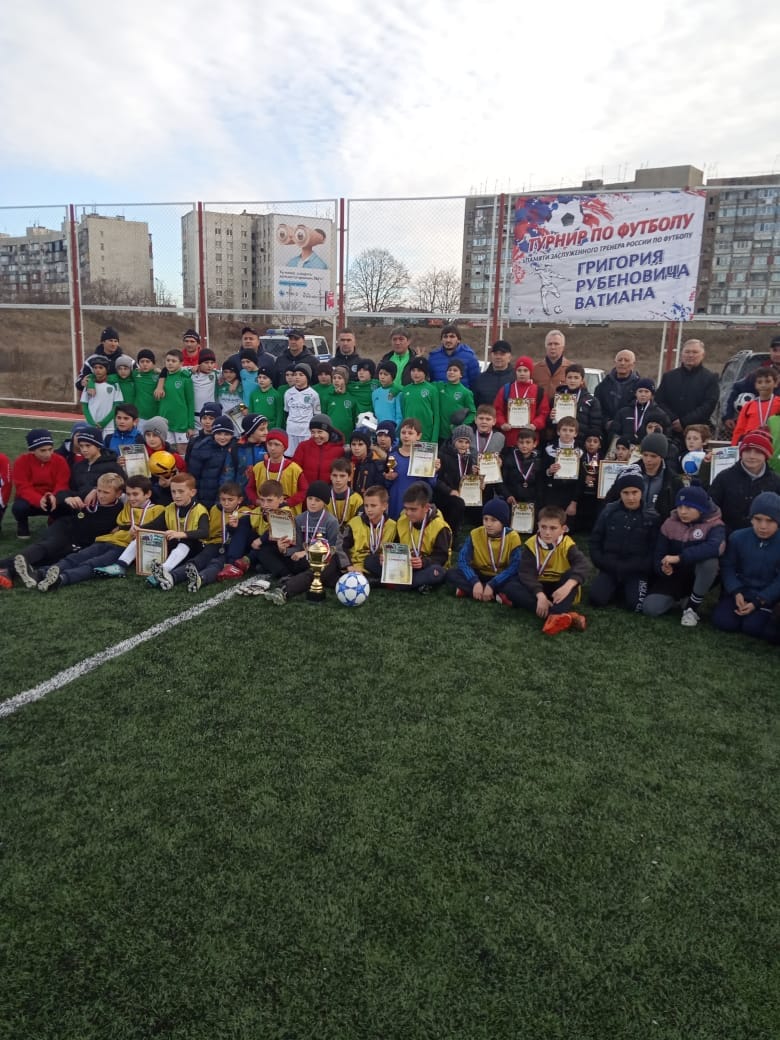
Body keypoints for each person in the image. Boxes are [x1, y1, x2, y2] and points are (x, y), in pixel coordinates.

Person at [33, 475, 164, 591]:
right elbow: (112, 489)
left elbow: (157, 532)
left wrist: (141, 530)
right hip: (106, 539)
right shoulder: (127, 505)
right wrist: (94, 491)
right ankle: (43, 573)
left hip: (124, 548)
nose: (131, 498)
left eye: (135, 494)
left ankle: (61, 579)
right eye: (129, 494)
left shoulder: (158, 510)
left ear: (148, 494)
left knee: (94, 563)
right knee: (78, 556)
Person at [3, 472, 125, 587]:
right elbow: (61, 494)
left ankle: (8, 570)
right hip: (65, 528)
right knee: (51, 545)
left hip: (79, 544)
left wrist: (120, 528)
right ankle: (15, 563)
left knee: (52, 558)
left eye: (106, 492)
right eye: (99, 490)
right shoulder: (88, 494)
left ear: (119, 494)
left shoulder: (120, 511)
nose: (101, 495)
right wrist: (68, 499)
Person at [642, 485, 725, 626]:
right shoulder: (669, 523)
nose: (682, 512)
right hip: (675, 576)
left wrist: (680, 558)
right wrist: (663, 568)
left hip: (696, 575)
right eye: (680, 507)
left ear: (701, 508)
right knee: (650, 608)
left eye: (689, 507)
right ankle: (681, 599)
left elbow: (715, 548)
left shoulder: (715, 525)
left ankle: (692, 607)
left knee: (710, 562)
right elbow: (659, 554)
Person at [499, 505, 590, 633]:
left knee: (572, 577)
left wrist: (568, 585)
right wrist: (540, 595)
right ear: (538, 525)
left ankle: (555, 613)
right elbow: (526, 573)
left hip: (560, 589)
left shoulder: (567, 544)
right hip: (539, 587)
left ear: (563, 529)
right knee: (510, 586)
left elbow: (584, 565)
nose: (547, 532)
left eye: (553, 528)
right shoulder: (531, 544)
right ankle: (562, 615)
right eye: (543, 527)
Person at [256, 481, 348, 604]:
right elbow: (297, 546)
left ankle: (285, 590)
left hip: (321, 559)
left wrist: (307, 552)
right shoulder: (299, 519)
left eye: (317, 500)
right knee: (265, 551)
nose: (312, 503)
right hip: (301, 559)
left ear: (325, 502)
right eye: (310, 498)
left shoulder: (331, 521)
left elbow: (333, 549)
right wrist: (284, 549)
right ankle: (286, 574)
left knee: (318, 569)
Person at [711, 492, 780, 641]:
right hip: (740, 592)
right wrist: (736, 591)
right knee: (723, 621)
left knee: (753, 627)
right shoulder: (737, 537)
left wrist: (759, 601)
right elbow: (728, 566)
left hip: (766, 596)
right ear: (751, 518)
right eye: (758, 519)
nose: (763, 526)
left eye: (770, 521)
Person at [588, 471, 659, 612]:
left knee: (636, 605)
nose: (630, 497)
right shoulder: (608, 511)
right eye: (625, 493)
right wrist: (601, 561)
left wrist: (641, 567)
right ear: (619, 493)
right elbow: (595, 539)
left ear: (642, 492)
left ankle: (626, 589)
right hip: (610, 566)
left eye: (635, 492)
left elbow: (654, 549)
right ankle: (613, 586)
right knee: (596, 599)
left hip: (636, 570)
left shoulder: (652, 516)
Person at [367, 481, 452, 593]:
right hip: (404, 565)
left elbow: (441, 557)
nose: (408, 513)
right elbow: (396, 545)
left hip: (427, 566)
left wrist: (423, 562)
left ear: (426, 507)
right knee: (370, 560)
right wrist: (387, 557)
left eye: (413, 509)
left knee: (437, 572)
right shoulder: (402, 520)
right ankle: (413, 584)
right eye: (406, 508)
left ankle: (385, 582)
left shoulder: (440, 527)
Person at [142, 472, 210, 589]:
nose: (176, 495)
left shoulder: (200, 510)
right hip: (176, 546)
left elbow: (205, 532)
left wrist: (182, 534)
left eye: (181, 491)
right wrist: (139, 528)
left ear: (192, 492)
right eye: (173, 492)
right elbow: (156, 524)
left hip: (195, 547)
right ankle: (121, 563)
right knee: (145, 535)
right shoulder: (170, 507)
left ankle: (163, 570)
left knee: (186, 541)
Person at [447, 499, 522, 601]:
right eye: (485, 519)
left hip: (501, 576)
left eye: (493, 520)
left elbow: (515, 566)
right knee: (451, 574)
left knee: (516, 581)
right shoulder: (475, 534)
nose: (488, 524)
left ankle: (471, 591)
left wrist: (493, 584)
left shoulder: (513, 537)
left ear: (503, 522)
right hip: (480, 574)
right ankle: (495, 595)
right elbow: (462, 560)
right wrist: (474, 581)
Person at [709, 428, 780, 533]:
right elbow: (711, 510)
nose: (751, 456)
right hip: (727, 536)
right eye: (747, 451)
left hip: (765, 538)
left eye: (758, 452)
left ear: (766, 455)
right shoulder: (724, 478)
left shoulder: (776, 482)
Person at [654, 339, 720, 446]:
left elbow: (709, 405)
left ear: (702, 355)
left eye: (695, 352)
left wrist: (684, 422)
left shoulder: (710, 378)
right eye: (687, 352)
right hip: (670, 431)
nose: (690, 355)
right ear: (682, 354)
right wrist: (673, 419)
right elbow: (659, 401)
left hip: (697, 433)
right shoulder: (669, 377)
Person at [9, 429, 71, 538]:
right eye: (43, 450)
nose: (48, 454)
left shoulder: (60, 461)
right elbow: (23, 487)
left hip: (52, 497)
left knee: (66, 505)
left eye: (50, 449)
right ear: (32, 451)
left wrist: (54, 496)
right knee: (19, 508)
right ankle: (22, 524)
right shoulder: (21, 461)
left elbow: (62, 484)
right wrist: (38, 499)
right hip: (30, 500)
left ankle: (54, 521)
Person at [722, 335, 780, 433]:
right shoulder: (760, 373)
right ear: (770, 351)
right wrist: (728, 415)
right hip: (759, 424)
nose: (778, 354)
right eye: (775, 350)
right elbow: (736, 388)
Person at [384, 418, 437, 520]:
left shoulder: (425, 456)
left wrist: (433, 470)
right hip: (396, 500)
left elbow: (432, 484)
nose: (406, 436)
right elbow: (386, 484)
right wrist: (388, 478)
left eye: (410, 433)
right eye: (403, 432)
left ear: (419, 436)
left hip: (416, 501)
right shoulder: (393, 455)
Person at [494, 355, 549, 448]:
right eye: (519, 370)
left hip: (529, 438)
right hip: (510, 437)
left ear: (530, 372)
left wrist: (535, 424)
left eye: (525, 370)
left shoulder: (538, 391)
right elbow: (497, 409)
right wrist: (502, 423)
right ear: (515, 372)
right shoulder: (506, 389)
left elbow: (544, 413)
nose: (522, 373)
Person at [342, 485, 397, 576]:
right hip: (356, 568)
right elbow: (342, 547)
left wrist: (389, 558)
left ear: (384, 506)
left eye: (373, 506)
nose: (369, 510)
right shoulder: (354, 523)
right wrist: (349, 566)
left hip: (379, 566)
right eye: (366, 506)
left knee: (371, 561)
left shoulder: (393, 526)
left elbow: (397, 551)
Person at [186, 416, 239, 508]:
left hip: (227, 498)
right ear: (213, 433)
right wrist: (194, 498)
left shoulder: (236, 448)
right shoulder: (201, 447)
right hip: (204, 496)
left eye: (226, 434)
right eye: (219, 433)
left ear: (232, 435)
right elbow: (193, 476)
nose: (222, 437)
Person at [249, 430, 308, 511]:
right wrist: (258, 501)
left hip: (286, 512)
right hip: (263, 511)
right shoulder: (258, 467)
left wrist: (287, 502)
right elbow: (250, 488)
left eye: (277, 444)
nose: (272, 448)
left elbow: (304, 491)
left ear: (284, 447)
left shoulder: (294, 469)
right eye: (269, 444)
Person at [549, 364, 603, 441]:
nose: (572, 380)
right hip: (560, 441)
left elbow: (595, 425)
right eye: (569, 377)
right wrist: (551, 418)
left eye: (576, 378)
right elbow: (550, 425)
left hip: (581, 441)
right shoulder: (556, 399)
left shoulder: (592, 401)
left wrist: (587, 441)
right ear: (565, 379)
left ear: (582, 380)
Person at [594, 350, 641, 433]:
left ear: (633, 364)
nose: (622, 363)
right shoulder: (603, 386)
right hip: (606, 431)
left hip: (629, 432)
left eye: (626, 360)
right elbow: (596, 410)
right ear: (615, 362)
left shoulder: (639, 387)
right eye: (620, 360)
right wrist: (606, 423)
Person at [611, 378, 671, 443]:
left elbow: (667, 435)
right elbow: (614, 432)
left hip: (648, 447)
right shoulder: (623, 412)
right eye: (640, 391)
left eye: (646, 391)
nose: (643, 394)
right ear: (635, 393)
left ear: (651, 394)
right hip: (626, 447)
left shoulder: (660, 414)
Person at [731, 367, 780, 444]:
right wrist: (735, 446)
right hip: (751, 444)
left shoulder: (778, 403)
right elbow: (739, 430)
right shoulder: (748, 406)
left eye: (768, 381)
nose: (763, 385)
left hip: (773, 444)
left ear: (775, 383)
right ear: (755, 385)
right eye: (759, 382)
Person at [292, 414, 345, 485]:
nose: (316, 436)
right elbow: (295, 470)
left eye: (320, 432)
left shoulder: (339, 450)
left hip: (329, 490)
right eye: (312, 432)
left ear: (328, 432)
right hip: (306, 490)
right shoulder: (303, 446)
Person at [502, 427, 544, 515]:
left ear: (535, 444)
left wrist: (538, 501)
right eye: (521, 442)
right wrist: (508, 495)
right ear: (517, 443)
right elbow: (502, 481)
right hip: (513, 500)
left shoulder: (540, 459)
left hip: (532, 501)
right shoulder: (509, 458)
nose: (524, 445)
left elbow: (541, 483)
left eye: (528, 442)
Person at [157, 350, 195, 447]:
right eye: (168, 360)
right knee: (169, 450)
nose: (170, 363)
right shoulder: (162, 378)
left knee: (182, 451)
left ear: (181, 363)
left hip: (181, 424)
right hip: (165, 422)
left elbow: (190, 403)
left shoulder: (185, 378)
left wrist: (190, 426)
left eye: (174, 361)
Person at [427, 325, 481, 389]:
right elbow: (429, 382)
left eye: (452, 336)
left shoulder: (469, 357)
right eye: (445, 337)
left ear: (458, 340)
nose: (448, 340)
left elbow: (475, 383)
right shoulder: (433, 358)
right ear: (441, 340)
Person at [399, 357, 440, 443]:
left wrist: (434, 439)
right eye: (413, 370)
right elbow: (403, 413)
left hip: (426, 436)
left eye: (419, 370)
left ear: (425, 373)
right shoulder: (406, 390)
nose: (416, 373)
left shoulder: (432, 389)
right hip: (408, 436)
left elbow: (436, 416)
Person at [81, 355, 122, 433]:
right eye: (95, 368)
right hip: (91, 425)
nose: (97, 370)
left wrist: (104, 423)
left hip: (108, 427)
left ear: (106, 369)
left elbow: (116, 406)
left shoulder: (114, 385)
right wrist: (91, 422)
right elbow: (84, 405)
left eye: (101, 367)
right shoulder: (88, 385)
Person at [284, 362, 319, 454]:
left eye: (301, 375)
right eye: (295, 374)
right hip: (291, 430)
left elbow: (316, 414)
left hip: (306, 431)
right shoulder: (288, 393)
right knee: (291, 454)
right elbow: (287, 411)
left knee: (305, 454)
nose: (297, 377)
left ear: (307, 377)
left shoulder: (313, 394)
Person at [75, 326, 123, 391]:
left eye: (116, 341)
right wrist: (82, 382)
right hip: (97, 395)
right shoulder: (92, 360)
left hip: (119, 396)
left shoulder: (125, 360)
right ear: (103, 342)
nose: (113, 344)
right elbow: (79, 381)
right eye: (110, 341)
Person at [437, 359, 476, 439]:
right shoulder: (439, 386)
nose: (451, 372)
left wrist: (461, 427)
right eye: (449, 370)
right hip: (438, 433)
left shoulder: (466, 392)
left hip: (454, 435)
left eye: (455, 370)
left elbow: (472, 413)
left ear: (461, 374)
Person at [532, 329, 572, 402]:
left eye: (556, 344)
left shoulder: (572, 368)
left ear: (563, 347)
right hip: (540, 408)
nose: (553, 347)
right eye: (549, 344)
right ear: (545, 347)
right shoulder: (534, 369)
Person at [474, 339, 514, 408]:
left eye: (502, 354)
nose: (498, 357)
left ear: (509, 357)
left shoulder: (516, 378)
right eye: (495, 354)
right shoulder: (480, 379)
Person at [327, 457, 363, 530]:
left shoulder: (356, 499)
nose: (338, 479)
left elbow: (359, 524)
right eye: (335, 475)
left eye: (342, 476)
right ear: (330, 476)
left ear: (349, 477)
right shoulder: (324, 496)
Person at [347, 430, 384, 497]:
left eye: (360, 444)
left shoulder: (376, 463)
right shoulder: (346, 461)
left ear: (367, 446)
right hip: (350, 500)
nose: (356, 448)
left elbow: (379, 488)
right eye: (353, 444)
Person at [325, 366, 358, 440]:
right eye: (334, 378)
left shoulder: (351, 398)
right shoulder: (328, 397)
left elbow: (354, 418)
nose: (336, 380)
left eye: (339, 378)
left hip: (347, 436)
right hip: (331, 435)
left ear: (345, 380)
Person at [372, 362, 403, 426]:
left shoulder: (396, 392)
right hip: (379, 429)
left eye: (386, 374)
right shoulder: (375, 393)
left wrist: (393, 429)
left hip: (391, 428)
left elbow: (399, 416)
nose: (382, 377)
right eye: (380, 374)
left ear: (392, 376)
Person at [133, 349, 160, 422]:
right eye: (142, 361)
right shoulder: (135, 374)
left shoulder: (158, 375)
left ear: (153, 363)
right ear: (138, 363)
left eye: (148, 361)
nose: (145, 364)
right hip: (139, 416)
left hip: (155, 416)